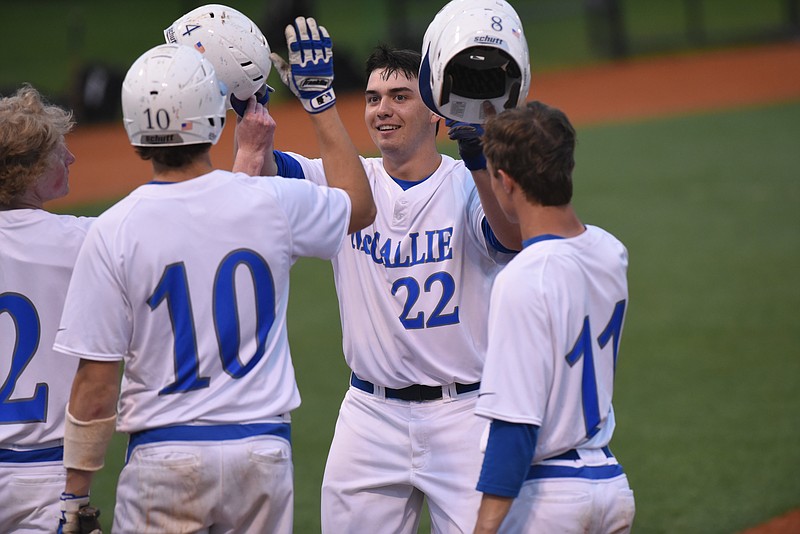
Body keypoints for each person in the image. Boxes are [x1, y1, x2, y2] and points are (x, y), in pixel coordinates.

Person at [52, 17, 375, 534]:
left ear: (132, 128)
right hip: (262, 453)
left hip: (165, 456)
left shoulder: (114, 230)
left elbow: (95, 385)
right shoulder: (271, 202)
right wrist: (316, 109)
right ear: (214, 118)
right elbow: (359, 206)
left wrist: (73, 497)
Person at [262, 43, 522, 532]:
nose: (382, 109)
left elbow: (509, 240)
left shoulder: (468, 185)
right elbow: (261, 168)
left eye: (400, 96)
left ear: (436, 113)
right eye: (373, 97)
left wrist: (480, 160)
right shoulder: (346, 181)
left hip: (465, 414)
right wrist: (250, 103)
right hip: (368, 416)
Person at [472, 101, 635, 533]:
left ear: (505, 182)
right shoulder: (610, 252)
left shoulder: (522, 279)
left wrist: (484, 527)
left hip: (549, 500)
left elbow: (516, 424)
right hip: (611, 487)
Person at [0, 85, 92, 532]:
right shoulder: (81, 241)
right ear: (30, 169)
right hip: (46, 476)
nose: (71, 159)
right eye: (59, 152)